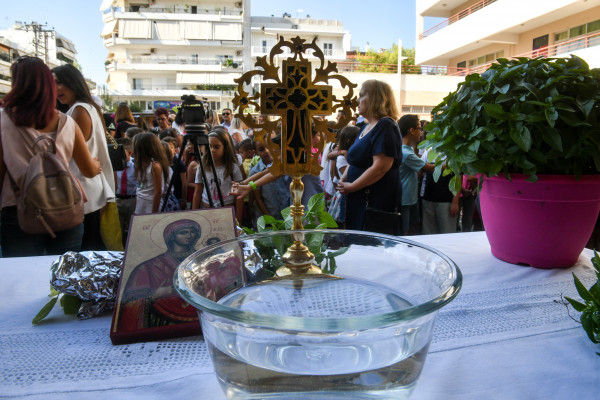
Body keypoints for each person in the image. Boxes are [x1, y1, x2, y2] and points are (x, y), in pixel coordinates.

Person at [0, 56, 101, 256]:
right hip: (66, 209)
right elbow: (89, 170)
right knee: (62, 280)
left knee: (24, 281)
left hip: (19, 212)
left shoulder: (3, 120)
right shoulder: (67, 122)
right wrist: (97, 164)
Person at [53, 63, 116, 251]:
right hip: (90, 190)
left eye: (59, 83)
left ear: (73, 83)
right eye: (52, 84)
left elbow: (70, 153)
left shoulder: (78, 111)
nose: (56, 89)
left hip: (85, 191)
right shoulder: (88, 108)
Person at [336, 80, 402, 232]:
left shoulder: (386, 125)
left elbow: (381, 166)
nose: (357, 101)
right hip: (356, 199)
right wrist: (343, 180)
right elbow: (354, 160)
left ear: (375, 98)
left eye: (361, 95)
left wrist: (352, 186)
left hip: (373, 202)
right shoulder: (365, 127)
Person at [117, 219, 202, 331]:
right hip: (161, 322)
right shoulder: (149, 267)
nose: (189, 235)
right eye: (183, 232)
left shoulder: (205, 260)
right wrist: (156, 293)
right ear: (172, 236)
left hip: (204, 320)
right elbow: (129, 304)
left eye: (192, 232)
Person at [192, 129, 244, 222]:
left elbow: (238, 195)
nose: (212, 150)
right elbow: (198, 191)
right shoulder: (202, 167)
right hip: (206, 210)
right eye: (209, 146)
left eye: (217, 147)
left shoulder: (232, 167)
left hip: (227, 212)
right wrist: (194, 216)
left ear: (225, 147)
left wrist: (238, 221)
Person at [398, 114, 436, 235]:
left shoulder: (407, 150)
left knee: (412, 228)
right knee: (405, 232)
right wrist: (450, 163)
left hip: (410, 197)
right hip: (405, 199)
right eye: (420, 128)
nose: (421, 132)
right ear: (412, 130)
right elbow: (428, 168)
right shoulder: (405, 153)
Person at [248, 139, 291, 223]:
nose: (267, 151)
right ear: (255, 152)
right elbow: (258, 198)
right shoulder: (255, 171)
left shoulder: (283, 165)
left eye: (269, 147)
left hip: (288, 213)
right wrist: (270, 219)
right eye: (261, 149)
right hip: (271, 214)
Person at [133, 132, 172, 214]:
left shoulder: (155, 166)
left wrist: (154, 214)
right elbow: (139, 189)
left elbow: (158, 192)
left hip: (151, 206)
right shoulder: (140, 164)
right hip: (140, 205)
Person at [115, 137, 136, 246]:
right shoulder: (115, 165)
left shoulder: (135, 166)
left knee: (131, 227)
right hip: (118, 199)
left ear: (130, 153)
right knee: (119, 227)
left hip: (131, 199)